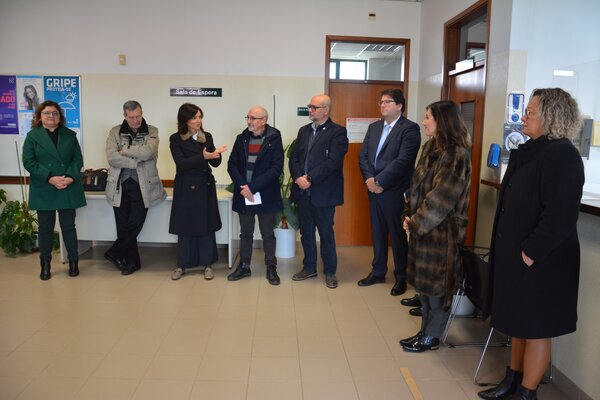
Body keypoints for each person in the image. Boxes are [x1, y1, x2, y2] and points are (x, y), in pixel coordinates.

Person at [478, 88, 584, 400]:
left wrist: (530, 253)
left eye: (531, 112)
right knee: (517, 321)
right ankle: (512, 380)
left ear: (551, 117)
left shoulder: (562, 155)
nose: (523, 117)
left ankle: (527, 392)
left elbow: (560, 216)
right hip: (519, 254)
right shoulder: (530, 151)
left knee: (537, 327)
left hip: (543, 260)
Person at [400, 100, 471, 353]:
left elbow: (441, 199)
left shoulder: (456, 155)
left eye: (428, 117)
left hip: (441, 234)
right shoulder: (431, 147)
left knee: (438, 288)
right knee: (424, 286)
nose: (424, 121)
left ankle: (432, 336)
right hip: (423, 229)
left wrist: (416, 222)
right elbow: (417, 186)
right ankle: (425, 332)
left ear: (442, 121)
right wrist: (408, 214)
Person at [358, 89, 421, 296]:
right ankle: (378, 272)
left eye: (388, 102)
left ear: (399, 106)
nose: (383, 105)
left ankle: (401, 276)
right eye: (381, 102)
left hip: (394, 190)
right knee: (377, 232)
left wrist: (380, 181)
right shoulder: (374, 127)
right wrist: (370, 180)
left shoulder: (409, 129)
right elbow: (363, 156)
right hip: (373, 189)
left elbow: (403, 161)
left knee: (397, 234)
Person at [289, 94, 348, 289]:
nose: (310, 110)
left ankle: (330, 271)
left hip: (324, 193)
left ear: (326, 110)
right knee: (306, 233)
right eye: (310, 106)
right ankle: (309, 268)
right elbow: (294, 157)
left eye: (314, 107)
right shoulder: (304, 131)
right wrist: (298, 177)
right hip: (303, 193)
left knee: (326, 234)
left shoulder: (338, 132)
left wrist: (309, 178)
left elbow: (333, 162)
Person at [22, 101, 86, 280]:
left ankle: (73, 262)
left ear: (60, 116)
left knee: (69, 227)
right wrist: (49, 177)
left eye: (55, 113)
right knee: (45, 228)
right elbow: (29, 162)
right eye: (47, 113)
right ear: (39, 116)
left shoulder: (69, 135)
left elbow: (77, 160)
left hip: (67, 185)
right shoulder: (32, 136)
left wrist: (70, 177)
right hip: (44, 186)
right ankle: (45, 265)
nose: (51, 116)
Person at [104, 100, 166, 275]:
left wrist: (124, 150)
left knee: (136, 223)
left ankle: (114, 252)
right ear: (125, 116)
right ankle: (132, 263)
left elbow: (148, 152)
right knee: (123, 225)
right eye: (131, 117)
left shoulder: (152, 131)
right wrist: (133, 161)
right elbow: (112, 157)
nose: (135, 120)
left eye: (138, 116)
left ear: (142, 113)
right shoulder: (114, 132)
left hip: (143, 185)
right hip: (119, 185)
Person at [169, 103, 227, 281]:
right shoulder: (176, 138)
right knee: (185, 226)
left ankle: (208, 264)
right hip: (186, 186)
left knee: (206, 225)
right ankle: (182, 264)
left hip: (204, 185)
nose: (198, 120)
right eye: (194, 117)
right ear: (185, 120)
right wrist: (203, 156)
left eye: (200, 117)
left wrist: (217, 154)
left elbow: (215, 163)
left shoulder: (206, 136)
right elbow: (181, 163)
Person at [227, 106, 284, 285]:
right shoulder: (241, 138)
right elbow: (231, 164)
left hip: (265, 194)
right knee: (246, 233)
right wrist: (244, 187)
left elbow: (276, 169)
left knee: (267, 233)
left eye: (253, 118)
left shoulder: (274, 139)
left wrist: (252, 187)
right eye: (248, 117)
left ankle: (271, 267)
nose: (249, 121)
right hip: (244, 193)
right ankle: (244, 266)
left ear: (264, 121)